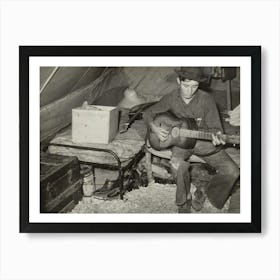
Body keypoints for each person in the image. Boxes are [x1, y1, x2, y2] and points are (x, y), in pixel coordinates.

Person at [142, 67, 240, 213]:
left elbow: (216, 130)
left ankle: (206, 192)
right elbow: (148, 113)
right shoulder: (171, 97)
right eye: (186, 86)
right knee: (177, 165)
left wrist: (216, 138)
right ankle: (183, 202)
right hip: (181, 145)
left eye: (194, 86)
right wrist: (155, 128)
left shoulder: (206, 99)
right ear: (178, 81)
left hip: (204, 144)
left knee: (232, 171)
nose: (189, 91)